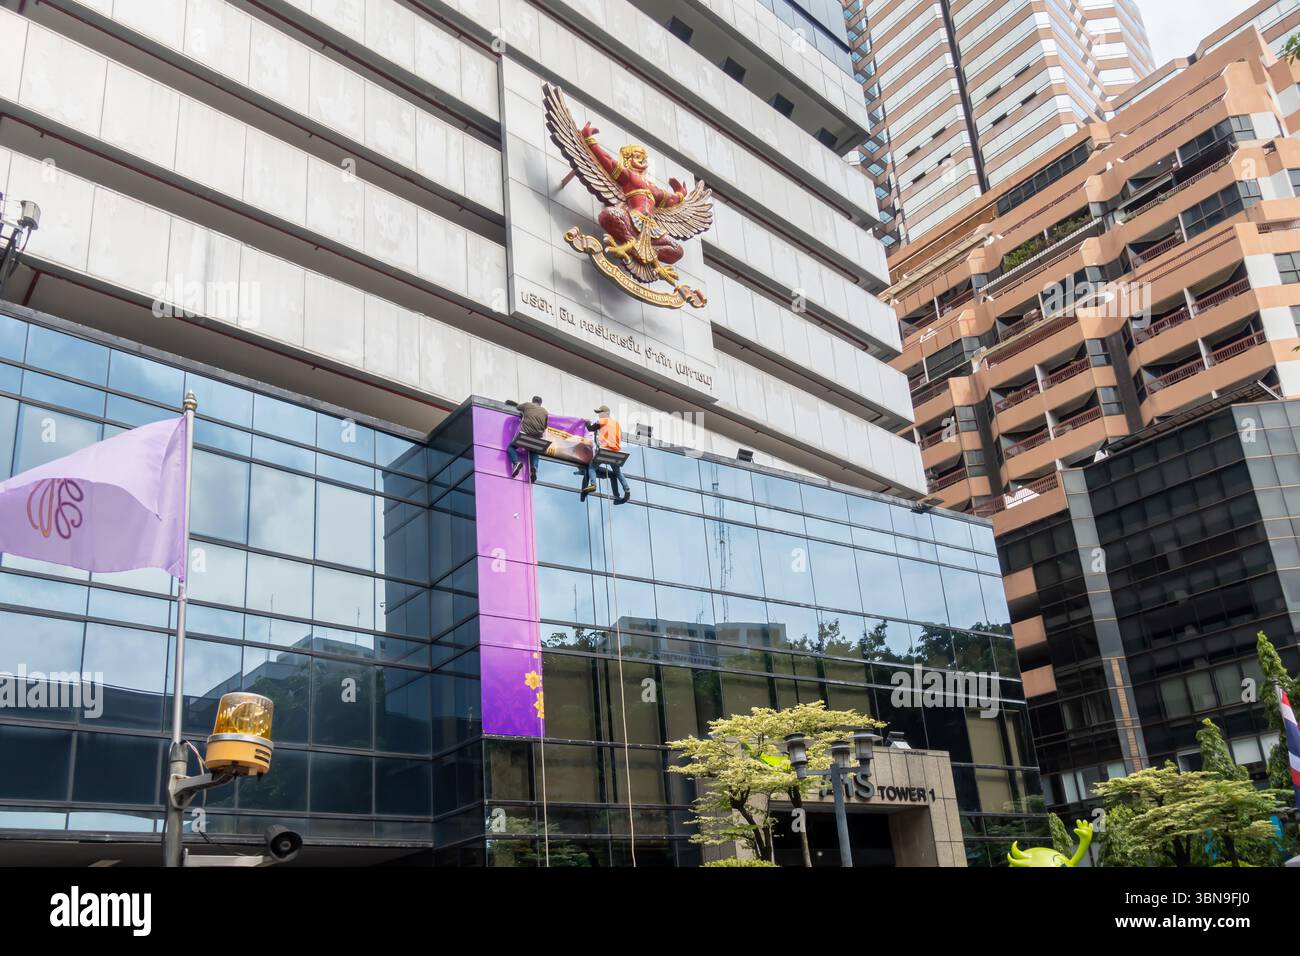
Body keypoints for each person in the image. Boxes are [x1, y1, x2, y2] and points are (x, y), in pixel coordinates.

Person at [580, 405, 631, 503]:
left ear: (606, 413)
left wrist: (586, 423)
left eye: (600, 412)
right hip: (615, 452)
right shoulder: (617, 424)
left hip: (605, 450)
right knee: (617, 472)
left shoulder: (604, 421)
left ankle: (593, 484)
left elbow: (591, 428)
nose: (599, 415)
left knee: (591, 467)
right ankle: (626, 488)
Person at [507, 396, 548, 482]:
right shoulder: (545, 412)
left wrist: (513, 403)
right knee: (534, 451)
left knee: (511, 447)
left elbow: (518, 407)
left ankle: (516, 463)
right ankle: (535, 468)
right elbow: (545, 427)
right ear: (540, 403)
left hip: (525, 435)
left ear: (532, 401)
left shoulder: (528, 405)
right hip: (537, 438)